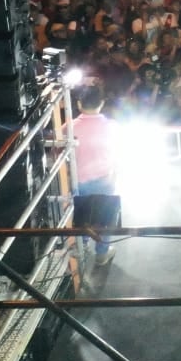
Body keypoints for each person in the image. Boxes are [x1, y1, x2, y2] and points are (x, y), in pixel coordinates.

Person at [72, 87, 119, 266]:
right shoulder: (112, 126)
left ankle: (81, 247)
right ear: (102, 103)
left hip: (79, 180)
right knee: (106, 219)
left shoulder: (69, 127)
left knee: (82, 216)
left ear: (78, 104)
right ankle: (102, 253)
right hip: (105, 179)